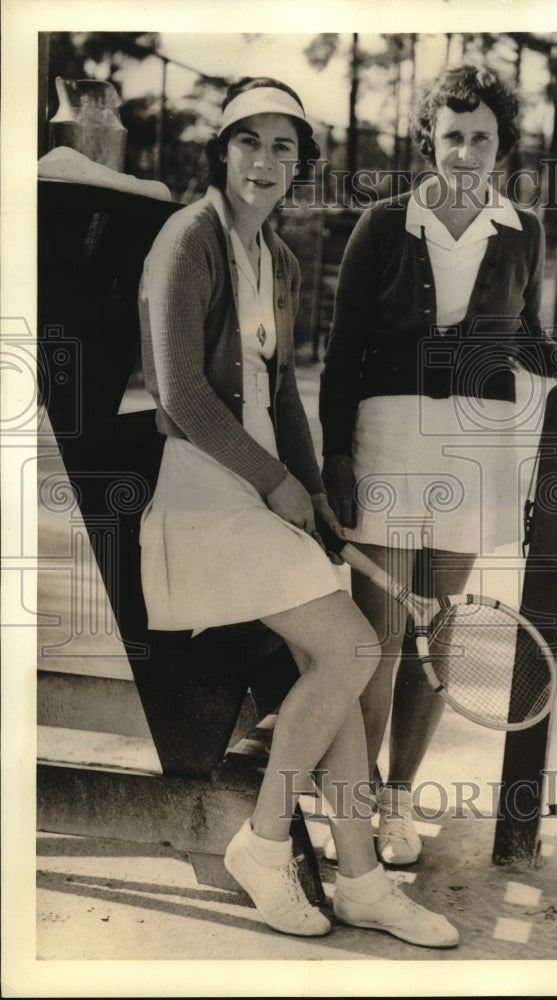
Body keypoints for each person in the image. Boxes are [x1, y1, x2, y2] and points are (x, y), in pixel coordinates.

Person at [138, 76, 458, 947]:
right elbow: (181, 394)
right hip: (200, 498)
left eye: (284, 147)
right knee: (354, 646)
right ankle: (264, 840)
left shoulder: (278, 260)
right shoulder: (186, 239)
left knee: (338, 662)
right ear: (222, 151)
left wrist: (311, 493)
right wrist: (273, 483)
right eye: (249, 141)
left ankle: (361, 883)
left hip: (259, 495)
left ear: (298, 166)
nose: (265, 161)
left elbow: (281, 400)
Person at [320, 65, 557, 865]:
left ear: (500, 146)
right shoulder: (382, 223)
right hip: (385, 439)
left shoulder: (522, 229)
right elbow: (342, 349)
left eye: (480, 138)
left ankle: (396, 803)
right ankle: (351, 806)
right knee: (376, 635)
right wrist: (334, 451)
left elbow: (523, 333)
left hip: (477, 443)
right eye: (451, 136)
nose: (464, 152)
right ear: (429, 141)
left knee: (436, 632)